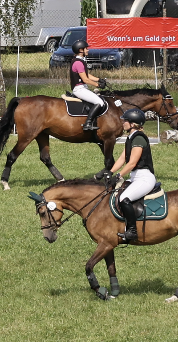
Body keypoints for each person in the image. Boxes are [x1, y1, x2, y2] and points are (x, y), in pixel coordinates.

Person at [111, 107, 158, 244]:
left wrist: (119, 175)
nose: (123, 122)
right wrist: (109, 172)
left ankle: (132, 231)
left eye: (125, 120)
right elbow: (122, 158)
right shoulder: (131, 138)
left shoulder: (139, 139)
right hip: (135, 177)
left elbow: (131, 163)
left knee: (124, 198)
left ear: (133, 124)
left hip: (144, 178)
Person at [65, 43, 105, 133]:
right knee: (99, 102)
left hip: (82, 88)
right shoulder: (78, 62)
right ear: (80, 50)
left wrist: (99, 79)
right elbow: (85, 79)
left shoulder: (79, 60)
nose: (88, 50)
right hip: (79, 89)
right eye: (86, 48)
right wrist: (98, 85)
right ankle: (88, 123)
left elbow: (86, 75)